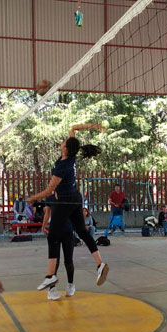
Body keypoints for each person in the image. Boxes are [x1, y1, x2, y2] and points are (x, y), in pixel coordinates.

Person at [28, 123, 109, 289]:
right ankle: (100, 264)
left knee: (53, 237)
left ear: (65, 148)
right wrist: (94, 126)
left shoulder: (62, 166)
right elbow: (73, 128)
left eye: (64, 141)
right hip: (75, 198)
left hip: (65, 201)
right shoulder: (70, 156)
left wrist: (33, 198)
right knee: (82, 232)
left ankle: (50, 276)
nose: (63, 141)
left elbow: (49, 190)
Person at [42, 193, 76, 300]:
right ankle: (51, 289)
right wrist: (43, 226)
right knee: (54, 262)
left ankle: (70, 285)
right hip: (54, 232)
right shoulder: (50, 198)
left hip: (68, 232)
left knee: (68, 260)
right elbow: (47, 213)